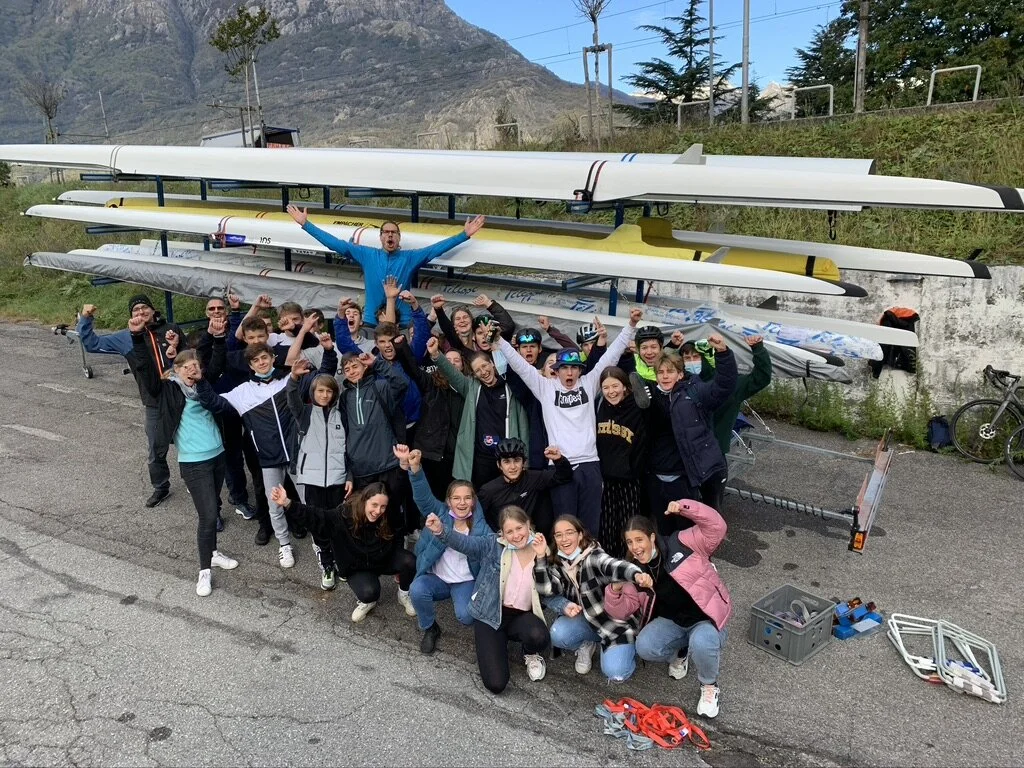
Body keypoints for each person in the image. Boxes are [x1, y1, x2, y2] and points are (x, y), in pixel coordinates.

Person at [497, 308, 642, 535]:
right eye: (564, 368)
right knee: (565, 527)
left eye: (574, 367)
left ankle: (589, 568)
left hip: (591, 465)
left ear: (580, 369)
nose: (570, 373)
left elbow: (611, 355)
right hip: (561, 467)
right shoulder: (544, 387)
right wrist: (500, 341)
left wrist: (631, 324)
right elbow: (519, 365)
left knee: (590, 527)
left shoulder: (589, 382)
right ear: (557, 370)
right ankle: (566, 569)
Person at [198, 338, 338, 568]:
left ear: (273, 358)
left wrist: (329, 350)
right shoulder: (242, 393)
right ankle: (284, 545)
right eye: (256, 360)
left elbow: (325, 378)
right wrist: (201, 381)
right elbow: (213, 403)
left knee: (308, 500)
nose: (261, 362)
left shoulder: (289, 380)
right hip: (268, 459)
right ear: (250, 366)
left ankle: (319, 541)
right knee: (275, 505)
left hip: (298, 455)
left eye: (265, 357)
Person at [133, 313, 238, 596]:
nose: (192, 369)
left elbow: (217, 362)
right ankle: (204, 571)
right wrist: (137, 338)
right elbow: (144, 371)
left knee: (214, 507)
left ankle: (213, 552)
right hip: (193, 461)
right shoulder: (168, 390)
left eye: (195, 365)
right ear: (176, 370)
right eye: (186, 366)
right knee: (206, 516)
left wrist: (217, 338)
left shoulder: (204, 388)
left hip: (217, 455)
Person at [605, 505, 732, 719]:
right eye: (629, 542)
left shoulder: (680, 542)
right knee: (645, 646)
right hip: (673, 621)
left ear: (652, 538)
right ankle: (682, 651)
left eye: (639, 539)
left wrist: (685, 507)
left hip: (706, 619)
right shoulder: (635, 571)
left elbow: (717, 527)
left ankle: (709, 685)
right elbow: (620, 611)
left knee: (702, 641)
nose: (635, 547)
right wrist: (614, 588)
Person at [286, 206, 485, 326]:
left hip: (404, 323)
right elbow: (336, 244)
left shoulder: (410, 258)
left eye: (394, 233)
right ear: (380, 237)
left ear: (399, 238)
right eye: (386, 232)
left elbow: (436, 249)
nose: (390, 235)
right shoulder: (366, 254)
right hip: (373, 323)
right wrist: (306, 224)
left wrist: (464, 235)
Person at [423, 505, 550, 694]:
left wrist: (541, 558)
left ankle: (529, 653)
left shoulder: (542, 549)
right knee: (496, 684)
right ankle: (496, 643)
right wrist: (441, 530)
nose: (516, 535)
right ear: (502, 533)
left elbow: (548, 591)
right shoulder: (493, 545)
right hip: (490, 613)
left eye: (519, 528)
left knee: (539, 636)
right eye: (509, 531)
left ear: (528, 524)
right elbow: (465, 544)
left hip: (522, 616)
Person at [76, 295, 183, 507]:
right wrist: (86, 319)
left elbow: (189, 355)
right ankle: (161, 487)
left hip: (182, 395)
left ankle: (197, 480)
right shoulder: (126, 337)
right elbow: (92, 344)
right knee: (156, 449)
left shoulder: (171, 329)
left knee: (193, 442)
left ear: (153, 310)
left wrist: (176, 348)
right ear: (131, 316)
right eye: (136, 310)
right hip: (154, 401)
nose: (141, 312)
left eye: (145, 308)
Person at [271, 483, 417, 623]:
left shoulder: (387, 514)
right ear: (364, 500)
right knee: (369, 592)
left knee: (409, 561)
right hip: (357, 566)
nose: (378, 511)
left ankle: (403, 594)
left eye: (383, 506)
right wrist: (288, 503)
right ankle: (368, 602)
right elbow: (315, 516)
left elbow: (398, 532)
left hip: (382, 558)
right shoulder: (343, 515)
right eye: (374, 505)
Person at [395, 445, 490, 654]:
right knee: (417, 589)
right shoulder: (439, 513)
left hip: (464, 581)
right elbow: (422, 497)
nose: (462, 502)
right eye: (456, 498)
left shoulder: (482, 527)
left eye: (467, 498)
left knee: (466, 617)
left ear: (474, 501)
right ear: (449, 501)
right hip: (437, 578)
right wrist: (416, 468)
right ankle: (430, 628)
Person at [533, 515, 652, 681]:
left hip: (615, 624)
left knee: (615, 673)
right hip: (589, 620)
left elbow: (613, 565)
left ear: (580, 535)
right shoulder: (558, 561)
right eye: (558, 535)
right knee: (558, 634)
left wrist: (636, 574)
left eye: (569, 533)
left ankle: (625, 650)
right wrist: (540, 558)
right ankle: (588, 643)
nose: (564, 539)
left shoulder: (593, 556)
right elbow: (545, 590)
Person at [286, 358, 353, 591]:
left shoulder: (341, 415)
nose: (324, 395)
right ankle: (326, 564)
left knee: (338, 522)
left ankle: (340, 560)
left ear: (335, 394)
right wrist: (294, 377)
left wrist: (350, 475)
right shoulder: (304, 413)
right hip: (312, 480)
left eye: (329, 391)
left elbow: (348, 449)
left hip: (337, 479)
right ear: (313, 392)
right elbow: (291, 397)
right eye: (320, 391)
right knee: (318, 522)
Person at [653, 335, 737, 514]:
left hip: (705, 470)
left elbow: (724, 385)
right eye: (661, 372)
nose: (665, 376)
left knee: (708, 519)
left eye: (670, 371)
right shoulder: (655, 397)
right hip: (676, 473)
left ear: (680, 374)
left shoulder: (695, 391)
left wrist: (723, 353)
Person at [431, 345, 529, 488]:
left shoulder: (510, 388)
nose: (483, 372)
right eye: (477, 370)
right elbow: (452, 373)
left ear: (492, 364)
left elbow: (523, 426)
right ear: (474, 374)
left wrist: (526, 459)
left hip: (507, 458)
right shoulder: (471, 388)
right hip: (480, 459)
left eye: (484, 366)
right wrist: (436, 355)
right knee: (482, 500)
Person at [336, 350, 410, 534]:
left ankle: (397, 542)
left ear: (364, 366)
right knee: (367, 512)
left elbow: (401, 383)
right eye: (347, 369)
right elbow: (345, 434)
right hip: (361, 466)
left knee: (392, 507)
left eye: (355, 366)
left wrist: (377, 363)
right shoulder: (345, 397)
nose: (352, 371)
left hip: (387, 462)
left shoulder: (380, 386)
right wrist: (350, 472)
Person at [393, 334, 465, 500]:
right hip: (431, 453)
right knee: (430, 497)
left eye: (456, 360)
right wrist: (402, 345)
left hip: (457, 456)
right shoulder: (431, 385)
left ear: (463, 366)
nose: (452, 363)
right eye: (448, 360)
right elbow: (413, 369)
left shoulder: (468, 389)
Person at [595, 367, 651, 559]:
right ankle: (610, 563)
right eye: (606, 387)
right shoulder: (599, 406)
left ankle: (631, 563)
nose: (611, 391)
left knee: (629, 524)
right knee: (607, 524)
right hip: (606, 478)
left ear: (625, 387)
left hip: (630, 478)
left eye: (615, 386)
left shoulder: (637, 407)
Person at [692, 335, 772, 456]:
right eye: (687, 358)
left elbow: (761, 377)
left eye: (696, 357)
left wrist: (758, 349)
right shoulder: (678, 384)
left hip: (714, 454)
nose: (691, 362)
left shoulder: (731, 385)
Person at [477, 438, 572, 535]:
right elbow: (478, 519)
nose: (513, 466)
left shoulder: (533, 478)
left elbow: (564, 476)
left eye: (517, 460)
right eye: (507, 462)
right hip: (501, 540)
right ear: (499, 465)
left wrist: (559, 459)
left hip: (531, 537)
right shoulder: (488, 490)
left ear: (524, 462)